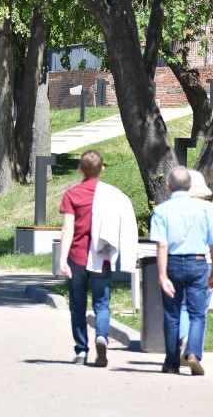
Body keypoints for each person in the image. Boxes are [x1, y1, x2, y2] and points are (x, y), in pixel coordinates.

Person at [57, 150, 138, 367]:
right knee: (102, 303)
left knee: (77, 305)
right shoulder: (111, 196)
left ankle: (81, 351)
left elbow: (68, 228)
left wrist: (62, 259)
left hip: (76, 257)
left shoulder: (72, 194)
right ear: (102, 169)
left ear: (80, 169)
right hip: (101, 256)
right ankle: (101, 336)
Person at [150, 166, 213, 376]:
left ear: (168, 186)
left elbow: (162, 245)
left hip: (172, 262)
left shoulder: (161, 211)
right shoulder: (206, 210)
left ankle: (171, 363)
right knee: (197, 313)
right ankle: (193, 353)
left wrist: (162, 275)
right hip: (198, 263)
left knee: (172, 315)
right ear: (191, 186)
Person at [177, 169, 213, 356]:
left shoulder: (173, 208)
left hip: (177, 262)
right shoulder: (211, 209)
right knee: (199, 310)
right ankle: (194, 351)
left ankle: (183, 339)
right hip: (203, 262)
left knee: (181, 306)